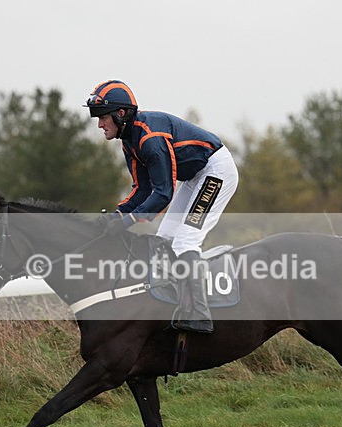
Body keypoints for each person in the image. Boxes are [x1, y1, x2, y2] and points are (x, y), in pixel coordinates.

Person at [85, 80, 239, 334]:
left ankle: (200, 314)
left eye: (102, 117)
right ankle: (176, 303)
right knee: (165, 238)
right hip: (193, 177)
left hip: (216, 171)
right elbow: (142, 190)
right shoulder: (129, 141)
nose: (100, 124)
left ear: (120, 114)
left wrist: (126, 222)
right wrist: (115, 216)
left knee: (186, 241)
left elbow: (164, 193)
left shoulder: (150, 139)